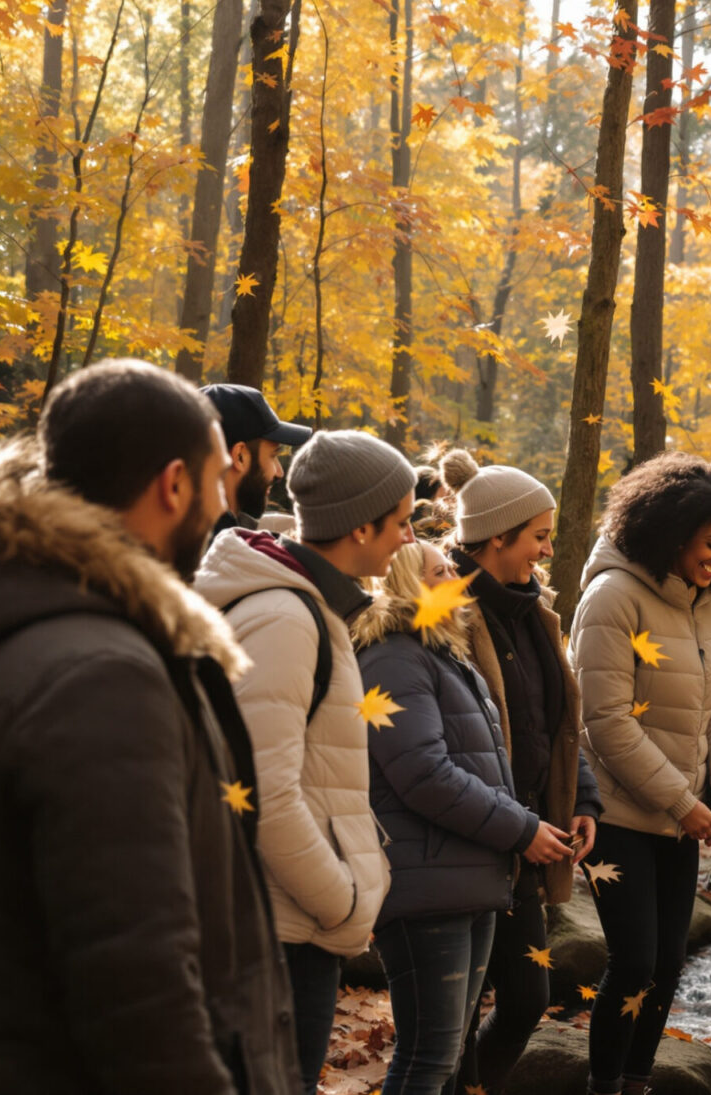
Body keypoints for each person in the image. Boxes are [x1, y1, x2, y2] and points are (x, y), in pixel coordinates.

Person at [0, 360, 300, 1093]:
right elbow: (138, 986)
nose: (224, 501)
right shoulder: (101, 675)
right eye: (218, 478)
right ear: (174, 485)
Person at [196, 428, 417, 1094]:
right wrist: (339, 899)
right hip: (285, 931)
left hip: (291, 925)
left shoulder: (309, 606)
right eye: (401, 521)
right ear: (360, 526)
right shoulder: (288, 619)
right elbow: (261, 789)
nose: (409, 537)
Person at [571, 454, 711, 1095]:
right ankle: (604, 1086)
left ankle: (637, 1081)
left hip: (682, 816)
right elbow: (605, 722)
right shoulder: (612, 597)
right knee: (634, 962)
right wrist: (683, 801)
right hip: (620, 815)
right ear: (672, 533)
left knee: (668, 964)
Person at [436, 448, 602, 1094]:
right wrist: (516, 827)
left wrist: (580, 797)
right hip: (467, 847)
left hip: (525, 848)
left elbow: (556, 724)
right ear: (497, 537)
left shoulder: (537, 612)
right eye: (538, 535)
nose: (547, 549)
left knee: (528, 999)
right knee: (451, 1023)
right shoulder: (446, 615)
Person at [355, 541, 538, 1095]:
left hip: (465, 877)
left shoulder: (444, 654)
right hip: (427, 889)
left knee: (448, 1055)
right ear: (407, 585)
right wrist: (522, 829)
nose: (455, 580)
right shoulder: (393, 658)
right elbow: (425, 775)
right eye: (439, 572)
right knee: (427, 1059)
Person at [202, 382, 311, 533]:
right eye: (273, 455)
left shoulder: (188, 534)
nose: (279, 472)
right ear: (240, 456)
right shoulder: (221, 544)